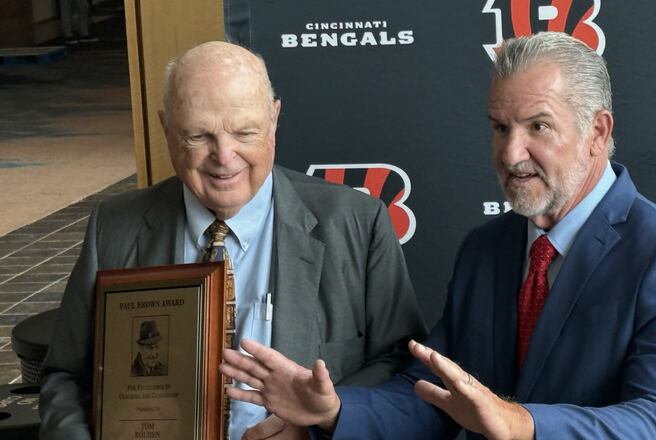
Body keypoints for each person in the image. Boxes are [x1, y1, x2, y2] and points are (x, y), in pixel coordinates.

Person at [219, 32, 656, 439]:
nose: (510, 154)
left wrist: (523, 425)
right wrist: (333, 411)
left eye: (538, 127)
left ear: (597, 131)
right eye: (500, 127)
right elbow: (430, 397)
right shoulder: (486, 251)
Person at [38, 41, 426, 440]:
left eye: (245, 132)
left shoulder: (357, 223)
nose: (224, 156)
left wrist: (319, 423)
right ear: (166, 129)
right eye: (198, 136)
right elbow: (67, 376)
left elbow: (399, 362)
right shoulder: (115, 227)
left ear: (274, 118)